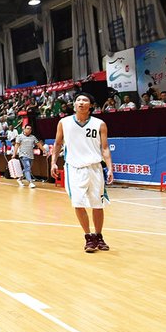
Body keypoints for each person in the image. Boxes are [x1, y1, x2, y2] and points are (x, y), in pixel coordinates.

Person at [50, 94, 116, 251]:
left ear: (91, 106)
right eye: (78, 100)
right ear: (74, 105)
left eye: (85, 100)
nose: (81, 102)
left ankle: (98, 236)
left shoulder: (99, 124)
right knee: (78, 204)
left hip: (95, 168)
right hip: (74, 168)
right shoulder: (64, 123)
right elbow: (58, 143)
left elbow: (105, 148)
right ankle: (88, 237)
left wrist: (110, 168)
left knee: (97, 205)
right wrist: (53, 162)